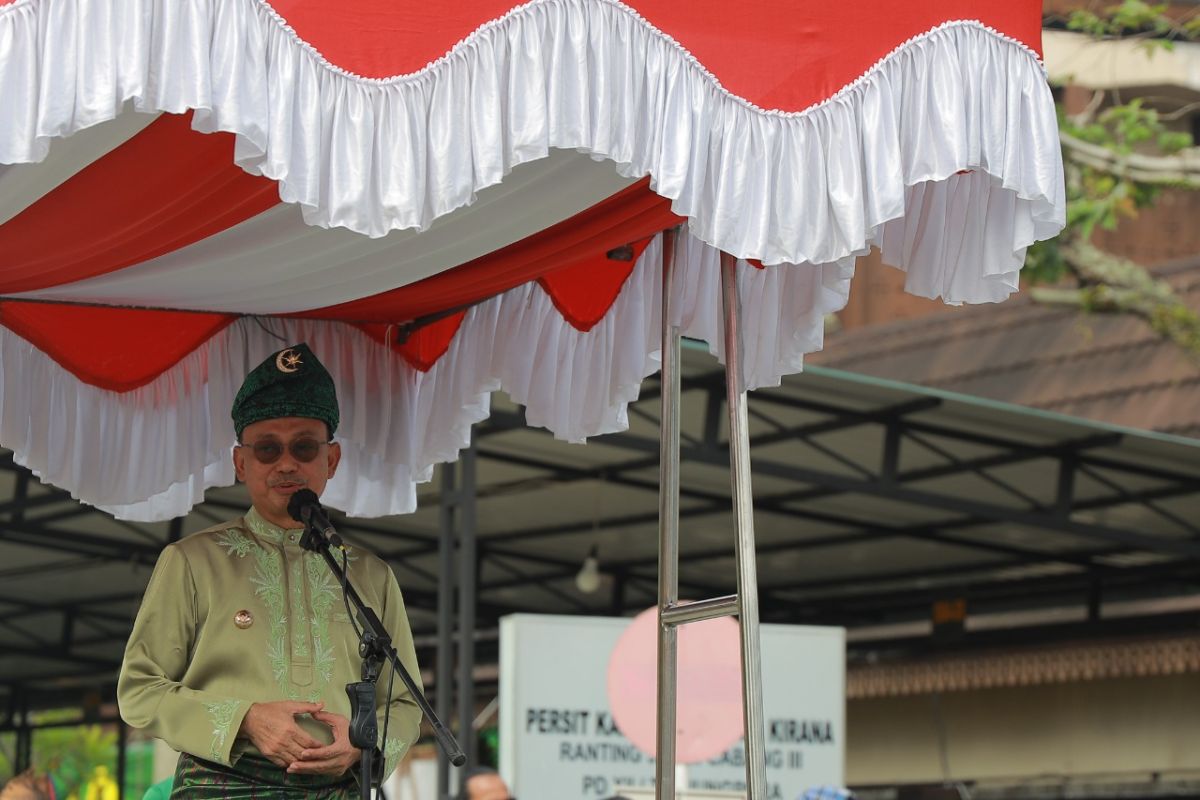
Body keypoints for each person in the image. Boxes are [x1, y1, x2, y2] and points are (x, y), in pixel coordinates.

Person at [118, 343, 423, 799]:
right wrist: (246, 719)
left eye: (303, 447)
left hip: (336, 789)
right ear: (241, 463)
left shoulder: (368, 574)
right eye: (267, 449)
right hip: (223, 786)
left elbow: (405, 702)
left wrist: (364, 746)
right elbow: (140, 689)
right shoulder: (192, 561)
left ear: (331, 460)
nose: (286, 463)